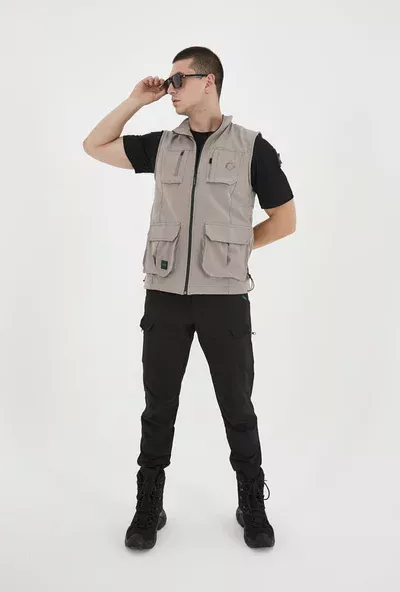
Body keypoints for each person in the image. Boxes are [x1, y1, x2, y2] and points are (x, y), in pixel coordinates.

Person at [83, 46, 296, 551]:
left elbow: (285, 221)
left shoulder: (252, 147)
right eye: (170, 79)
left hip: (224, 298)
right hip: (164, 296)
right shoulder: (162, 145)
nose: (171, 87)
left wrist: (235, 249)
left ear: (209, 82)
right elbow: (94, 145)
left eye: (180, 79)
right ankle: (148, 506)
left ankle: (252, 503)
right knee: (158, 405)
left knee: (237, 405)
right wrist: (136, 100)